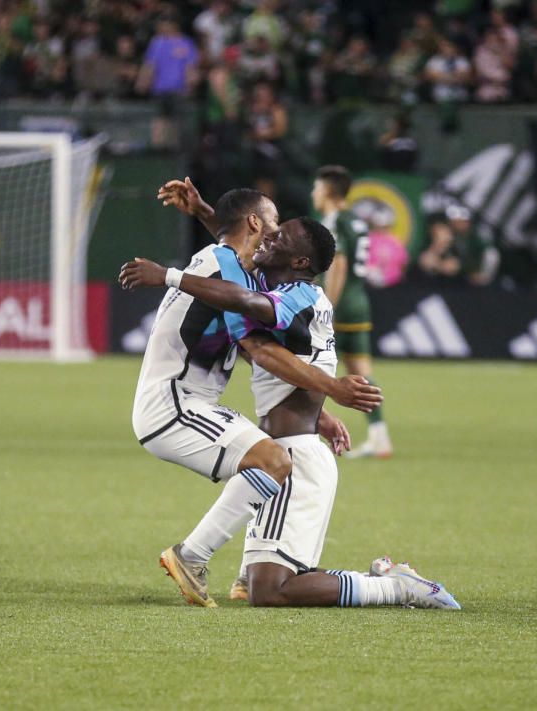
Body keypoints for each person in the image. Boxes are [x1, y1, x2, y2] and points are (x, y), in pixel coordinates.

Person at [120, 216, 460, 611]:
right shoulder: (277, 290)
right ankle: (234, 563)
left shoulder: (304, 295)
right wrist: (203, 210)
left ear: (300, 261)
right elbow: (237, 255)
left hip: (295, 461)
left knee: (273, 592)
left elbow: (252, 320)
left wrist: (169, 276)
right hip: (282, 456)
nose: (267, 236)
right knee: (255, 590)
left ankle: (396, 587)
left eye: (279, 236)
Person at [311, 165, 393, 459]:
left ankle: (303, 436)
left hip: (340, 305)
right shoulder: (356, 220)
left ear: (329, 191)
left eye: (317, 188)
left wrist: (327, 308)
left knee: (311, 371)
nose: (314, 194)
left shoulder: (333, 220)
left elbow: (339, 263)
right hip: (359, 303)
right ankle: (379, 437)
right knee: (361, 373)